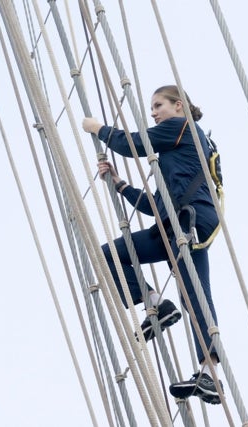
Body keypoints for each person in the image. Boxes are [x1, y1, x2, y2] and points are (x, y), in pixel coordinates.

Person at [82, 85, 223, 405]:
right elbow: (156, 207)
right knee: (110, 255)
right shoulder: (174, 158)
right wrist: (119, 184)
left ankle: (211, 374)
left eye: (159, 105)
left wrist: (98, 129)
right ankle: (156, 304)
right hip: (173, 224)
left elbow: (132, 144)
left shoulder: (183, 127)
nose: (154, 112)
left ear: (178, 106)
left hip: (192, 223)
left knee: (195, 293)